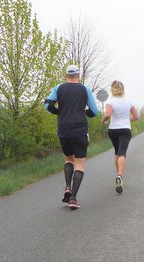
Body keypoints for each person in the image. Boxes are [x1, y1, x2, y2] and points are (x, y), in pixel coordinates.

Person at [45, 65, 99, 209]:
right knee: (80, 164)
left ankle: (68, 187)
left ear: (66, 76)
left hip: (64, 129)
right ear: (78, 75)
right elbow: (94, 111)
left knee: (68, 158)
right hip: (80, 129)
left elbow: (47, 105)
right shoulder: (84, 89)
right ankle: (73, 198)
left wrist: (60, 112)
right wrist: (83, 113)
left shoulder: (59, 88)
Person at [102, 80, 140, 193]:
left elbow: (108, 114)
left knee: (117, 152)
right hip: (125, 129)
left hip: (113, 130)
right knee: (122, 153)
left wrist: (103, 120)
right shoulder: (129, 101)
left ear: (112, 89)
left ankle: (118, 175)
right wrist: (127, 120)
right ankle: (120, 175)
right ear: (122, 89)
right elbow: (136, 117)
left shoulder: (110, 102)